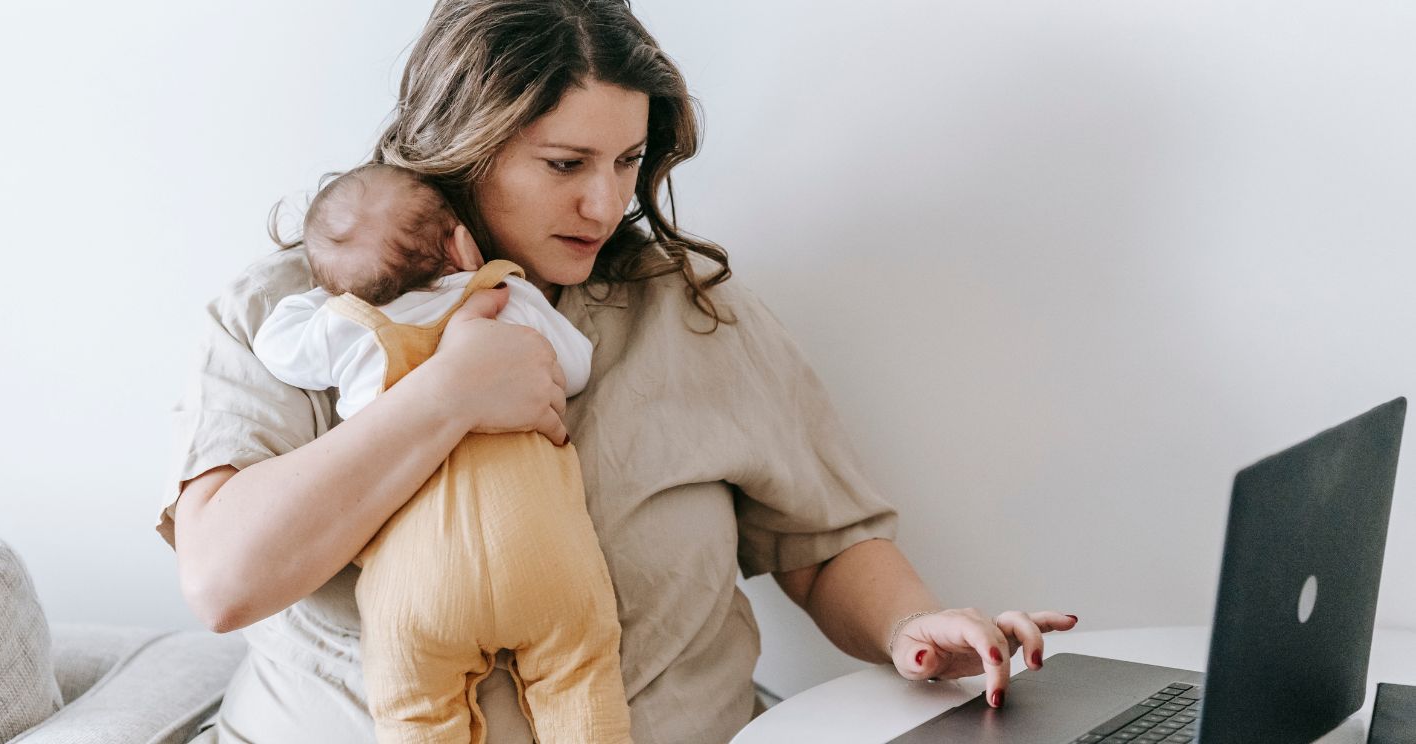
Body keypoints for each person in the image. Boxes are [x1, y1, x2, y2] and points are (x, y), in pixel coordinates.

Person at [160, 1, 1078, 742]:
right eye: (565, 163)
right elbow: (224, 582)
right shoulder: (292, 315)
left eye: (628, 162)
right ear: (462, 145)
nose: (605, 204)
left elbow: (823, 543)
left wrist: (909, 628)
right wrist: (445, 397)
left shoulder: (689, 309)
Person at [251, 163, 630, 744]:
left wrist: (333, 296)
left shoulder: (350, 326)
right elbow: (575, 366)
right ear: (462, 242)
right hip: (541, 556)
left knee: (416, 711)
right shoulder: (503, 296)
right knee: (580, 678)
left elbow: (276, 346)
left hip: (419, 584)